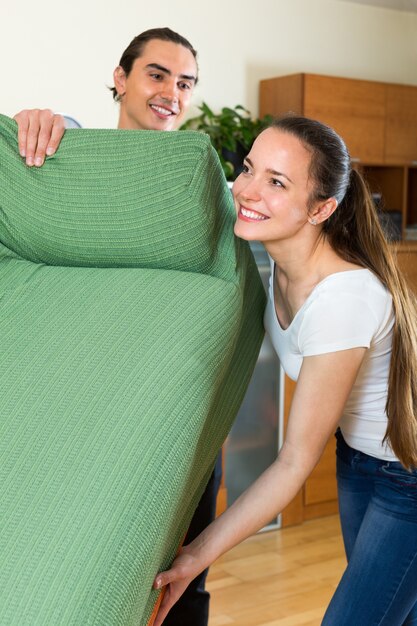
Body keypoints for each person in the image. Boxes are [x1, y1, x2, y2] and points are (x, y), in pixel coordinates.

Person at [152, 114, 417, 626]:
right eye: (249, 169)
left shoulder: (343, 299)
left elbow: (294, 462)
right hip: (361, 459)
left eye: (277, 182)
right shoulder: (276, 261)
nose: (248, 190)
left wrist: (194, 557)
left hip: (406, 475)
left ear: (321, 208)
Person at [13, 27, 222, 626]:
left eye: (185, 83)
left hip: (178, 403)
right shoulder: (68, 153)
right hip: (89, 399)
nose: (172, 93)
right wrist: (34, 121)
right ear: (120, 78)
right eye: (158, 74)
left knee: (181, 580)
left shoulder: (200, 181)